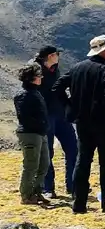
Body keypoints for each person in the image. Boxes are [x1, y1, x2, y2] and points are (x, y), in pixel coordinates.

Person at [53, 35, 105, 213]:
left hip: (82, 121)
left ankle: (79, 203)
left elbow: (57, 87)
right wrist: (103, 108)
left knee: (83, 161)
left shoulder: (76, 68)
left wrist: (70, 106)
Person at [34, 45, 77, 198]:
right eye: (57, 54)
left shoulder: (55, 69)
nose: (59, 56)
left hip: (61, 115)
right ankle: (48, 188)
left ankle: (73, 185)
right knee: (47, 153)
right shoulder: (35, 70)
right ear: (51, 55)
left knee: (73, 148)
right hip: (46, 116)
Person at [14, 63, 50, 206]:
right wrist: (39, 124)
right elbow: (25, 116)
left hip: (40, 133)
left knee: (44, 164)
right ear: (31, 78)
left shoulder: (35, 92)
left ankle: (36, 191)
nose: (41, 77)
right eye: (38, 75)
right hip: (30, 133)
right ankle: (26, 195)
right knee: (31, 165)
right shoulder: (23, 95)